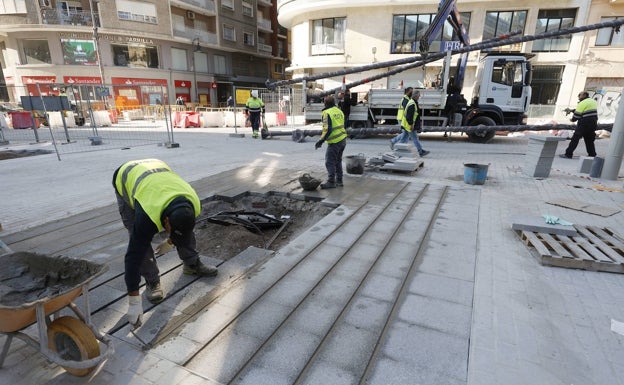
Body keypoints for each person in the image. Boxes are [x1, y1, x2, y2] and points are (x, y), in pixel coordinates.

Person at [113, 159, 218, 326]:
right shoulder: (146, 215)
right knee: (138, 236)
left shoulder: (194, 205)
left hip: (156, 174)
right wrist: (133, 300)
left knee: (183, 227)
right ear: (166, 220)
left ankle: (191, 264)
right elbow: (133, 257)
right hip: (126, 178)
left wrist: (171, 240)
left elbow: (182, 229)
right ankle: (152, 280)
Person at [315, 95, 347, 189]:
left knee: (329, 162)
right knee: (338, 161)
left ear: (325, 103)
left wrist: (320, 141)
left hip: (335, 141)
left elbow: (327, 129)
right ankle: (339, 180)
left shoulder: (327, 113)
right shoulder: (339, 111)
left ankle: (331, 181)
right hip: (343, 139)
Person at [560, 91, 598, 159]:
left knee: (575, 139)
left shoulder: (582, 103)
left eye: (579, 95)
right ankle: (592, 154)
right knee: (589, 140)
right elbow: (586, 110)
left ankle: (568, 154)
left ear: (583, 95)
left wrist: (572, 119)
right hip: (593, 123)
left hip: (584, 124)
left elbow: (577, 115)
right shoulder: (592, 101)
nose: (578, 97)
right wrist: (572, 110)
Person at [402, 90, 430, 157]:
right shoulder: (412, 104)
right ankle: (420, 151)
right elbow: (410, 116)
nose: (419, 96)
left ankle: (396, 149)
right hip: (409, 124)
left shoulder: (413, 102)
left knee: (404, 138)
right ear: (416, 95)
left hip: (407, 124)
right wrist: (411, 124)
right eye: (419, 95)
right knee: (415, 138)